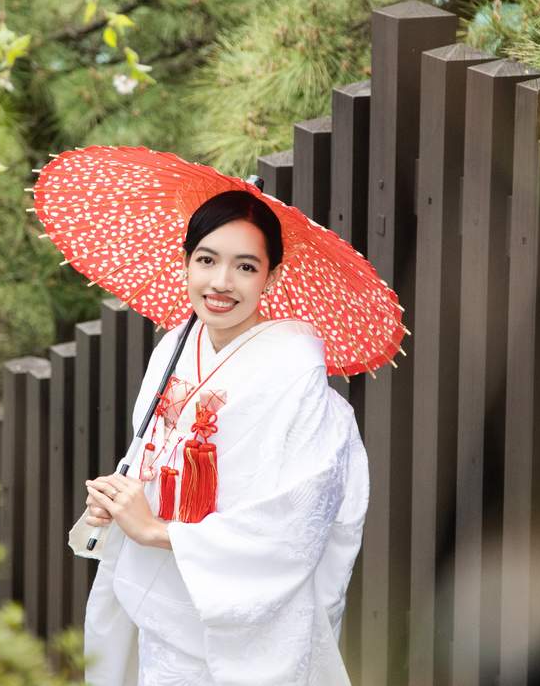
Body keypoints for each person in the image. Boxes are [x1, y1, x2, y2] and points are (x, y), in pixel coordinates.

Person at [77, 189, 369, 686]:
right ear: (186, 262)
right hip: (161, 613)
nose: (221, 282)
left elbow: (295, 526)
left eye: (246, 267)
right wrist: (122, 503)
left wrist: (158, 532)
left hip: (243, 632)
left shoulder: (294, 375)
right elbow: (154, 460)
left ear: (272, 276)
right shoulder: (174, 348)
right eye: (207, 259)